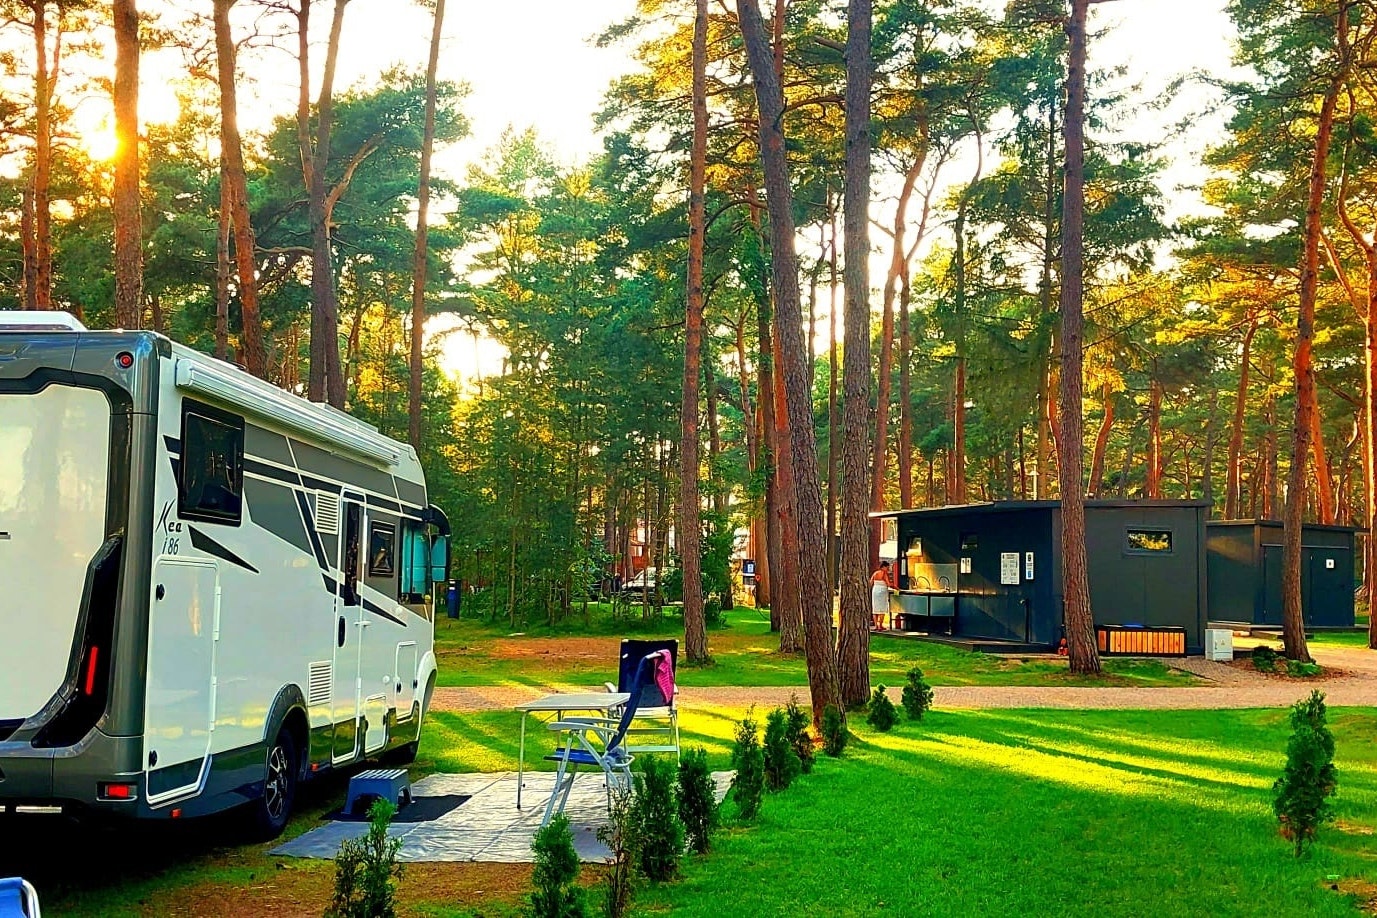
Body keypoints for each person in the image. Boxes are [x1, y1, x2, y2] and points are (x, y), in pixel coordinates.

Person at [870, 560, 892, 631]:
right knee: (882, 608)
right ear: (883, 567)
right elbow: (888, 584)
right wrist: (894, 586)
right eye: (887, 567)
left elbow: (870, 582)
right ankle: (880, 625)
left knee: (875, 608)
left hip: (875, 590)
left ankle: (876, 626)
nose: (888, 569)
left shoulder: (875, 573)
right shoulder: (884, 574)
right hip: (882, 591)